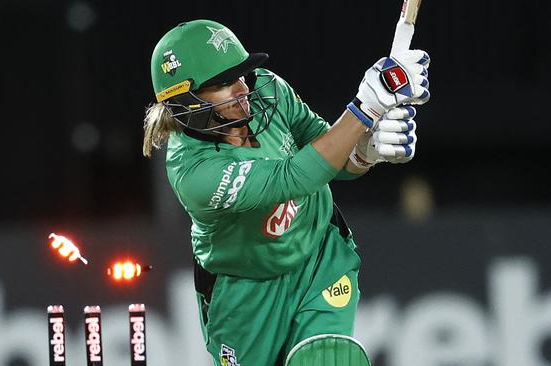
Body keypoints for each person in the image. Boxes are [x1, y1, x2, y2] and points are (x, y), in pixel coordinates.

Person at [143, 19, 430, 366]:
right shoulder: (195, 173)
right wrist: (365, 109)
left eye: (241, 75)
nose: (242, 89)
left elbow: (331, 159)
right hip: (246, 296)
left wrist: (364, 151)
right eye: (223, 84)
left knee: (328, 360)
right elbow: (295, 176)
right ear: (187, 101)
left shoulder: (267, 88)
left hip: (319, 258)